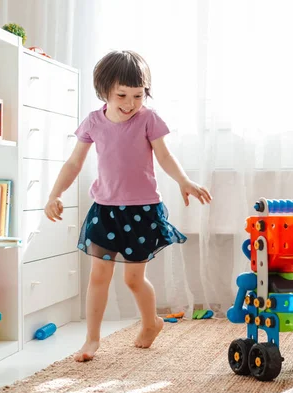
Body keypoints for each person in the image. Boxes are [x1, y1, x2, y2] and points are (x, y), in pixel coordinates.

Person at [44, 50, 212, 362]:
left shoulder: (148, 119)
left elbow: (164, 156)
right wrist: (55, 194)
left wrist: (184, 181)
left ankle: (151, 323)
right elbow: (73, 163)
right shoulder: (93, 122)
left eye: (138, 95)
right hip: (105, 212)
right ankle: (92, 340)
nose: (130, 103)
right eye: (122, 94)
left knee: (133, 279)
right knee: (98, 276)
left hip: (143, 212)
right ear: (104, 91)